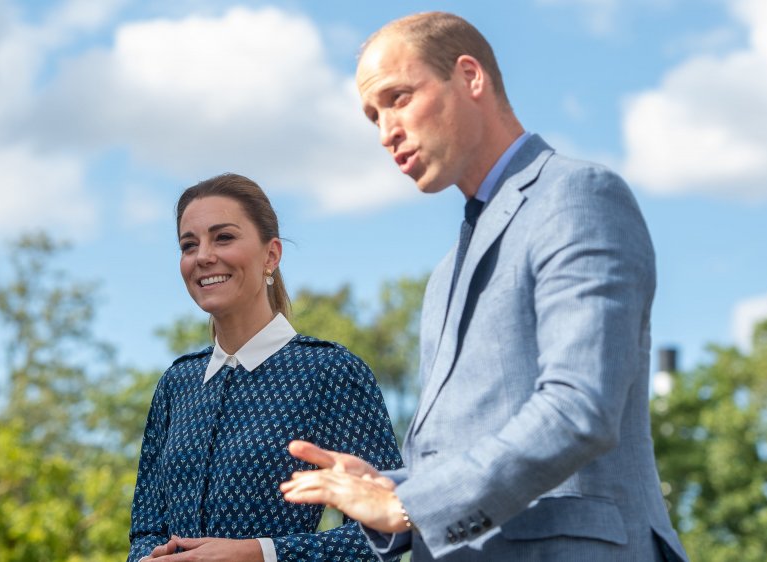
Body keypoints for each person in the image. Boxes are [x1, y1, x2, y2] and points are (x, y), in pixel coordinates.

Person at [280, 11, 688, 562]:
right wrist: (390, 488)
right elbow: (463, 457)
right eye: (373, 116)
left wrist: (411, 506)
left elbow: (580, 407)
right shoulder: (446, 273)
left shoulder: (577, 196)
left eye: (398, 98)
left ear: (470, 77)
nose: (385, 133)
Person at [128, 173, 402, 562]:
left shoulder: (331, 373)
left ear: (270, 255)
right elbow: (145, 529)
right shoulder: (176, 384)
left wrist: (260, 553)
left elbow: (385, 535)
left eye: (223, 237)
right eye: (189, 245)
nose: (203, 255)